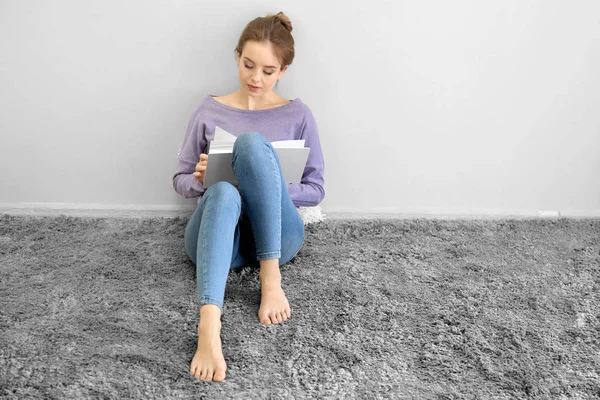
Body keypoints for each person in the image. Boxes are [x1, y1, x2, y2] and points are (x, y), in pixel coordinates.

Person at [172, 12, 325, 382]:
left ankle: (270, 281)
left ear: (283, 71)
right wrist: (205, 179)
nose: (256, 78)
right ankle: (209, 324)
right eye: (248, 65)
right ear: (237, 56)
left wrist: (266, 182)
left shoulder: (299, 114)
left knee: (253, 145)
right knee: (223, 190)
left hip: (277, 234)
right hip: (219, 236)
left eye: (268, 71)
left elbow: (316, 189)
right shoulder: (209, 109)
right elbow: (179, 180)